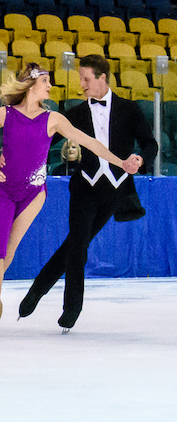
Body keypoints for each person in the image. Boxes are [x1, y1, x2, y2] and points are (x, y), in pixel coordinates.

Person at [0, 63, 136, 334]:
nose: (50, 86)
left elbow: (90, 142)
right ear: (32, 84)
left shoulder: (53, 119)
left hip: (34, 193)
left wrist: (120, 162)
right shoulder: (5, 114)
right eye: (46, 81)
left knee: (9, 248)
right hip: (4, 188)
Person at [18, 55, 157, 330]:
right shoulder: (77, 114)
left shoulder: (129, 110)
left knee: (75, 244)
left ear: (102, 78)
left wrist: (140, 160)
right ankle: (72, 307)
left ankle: (37, 289)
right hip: (85, 186)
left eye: (86, 79)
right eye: (81, 79)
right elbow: (46, 139)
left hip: (115, 189)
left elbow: (149, 143)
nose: (81, 84)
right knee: (78, 244)